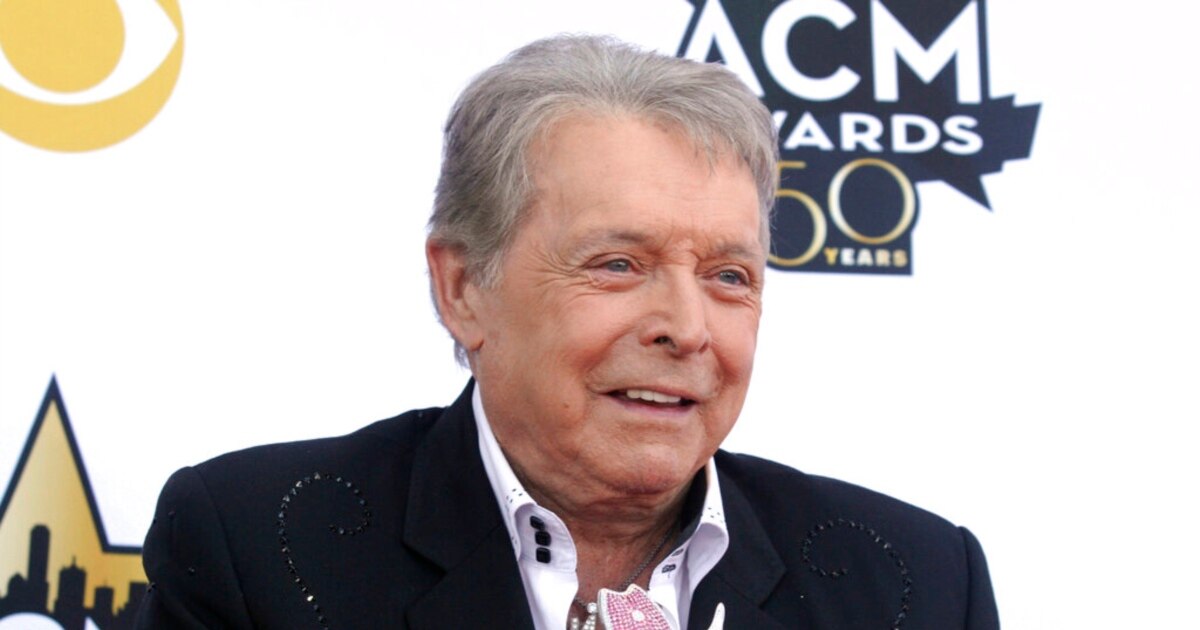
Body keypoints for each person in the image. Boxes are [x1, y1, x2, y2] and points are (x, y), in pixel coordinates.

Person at [135, 35, 999, 630]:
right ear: (463, 287)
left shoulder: (916, 584)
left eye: (728, 277)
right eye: (618, 264)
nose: (687, 328)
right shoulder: (262, 547)